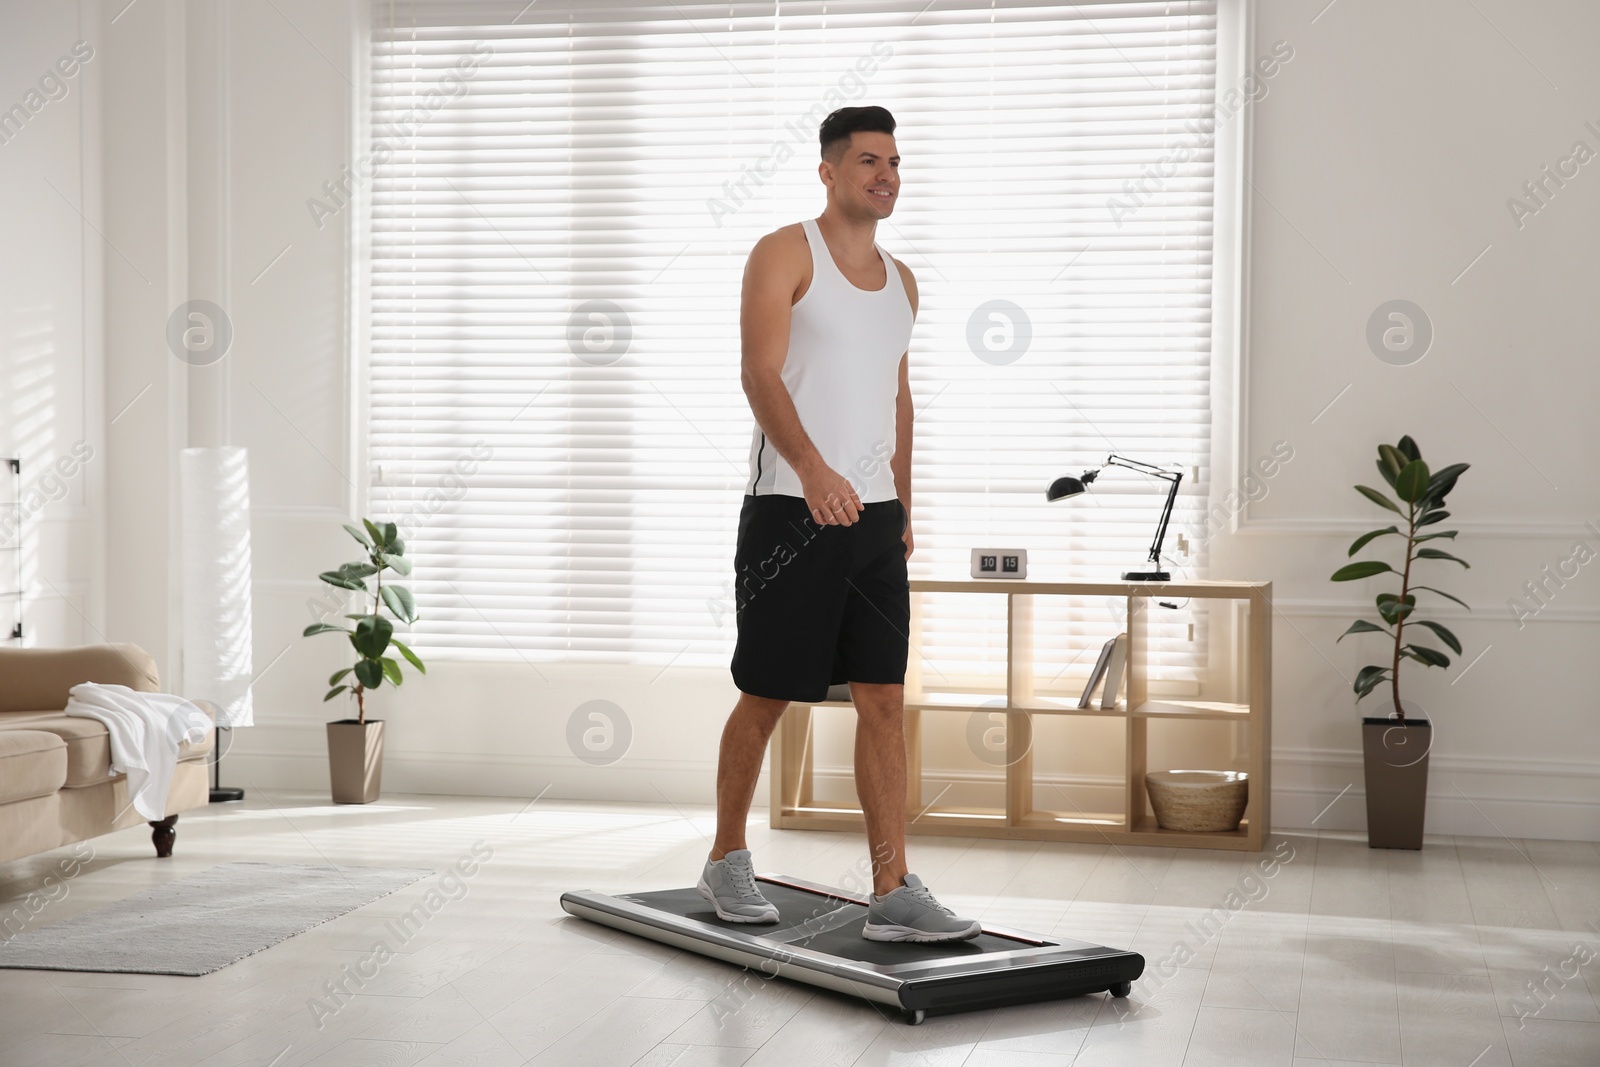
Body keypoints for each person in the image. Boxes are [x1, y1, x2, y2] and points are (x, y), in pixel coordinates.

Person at [697, 105, 980, 943]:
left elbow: (898, 396)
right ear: (828, 171)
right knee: (769, 691)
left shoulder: (904, 280)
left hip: (874, 522)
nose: (885, 174)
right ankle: (725, 857)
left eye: (894, 161)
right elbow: (759, 372)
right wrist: (816, 472)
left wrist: (902, 500)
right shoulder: (785, 251)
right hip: (790, 509)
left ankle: (891, 887)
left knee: (884, 701)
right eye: (867, 160)